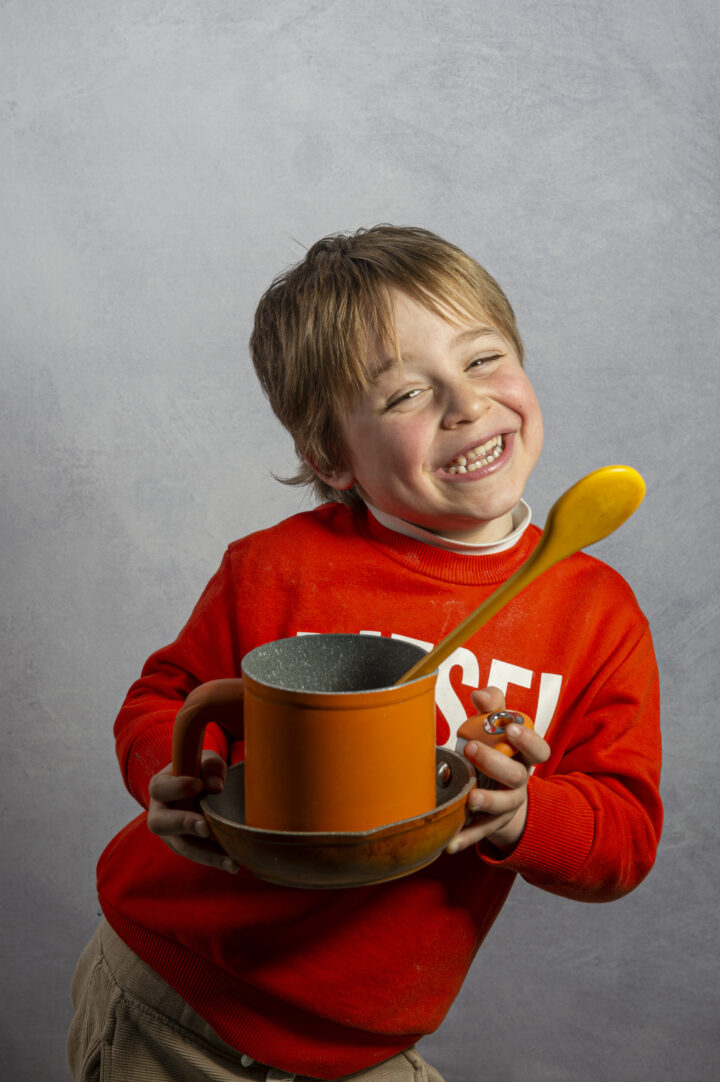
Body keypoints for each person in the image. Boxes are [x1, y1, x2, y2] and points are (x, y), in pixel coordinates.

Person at [67, 225, 662, 1082]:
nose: (466, 404)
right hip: (171, 998)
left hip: (361, 1047)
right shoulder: (274, 569)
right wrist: (177, 770)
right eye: (405, 395)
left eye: (483, 359)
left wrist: (526, 815)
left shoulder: (595, 613)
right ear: (330, 457)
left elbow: (625, 838)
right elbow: (165, 695)